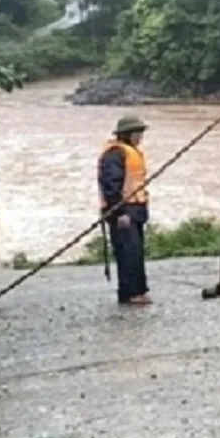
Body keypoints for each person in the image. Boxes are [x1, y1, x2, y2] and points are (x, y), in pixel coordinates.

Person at [98, 114, 153, 307]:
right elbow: (111, 185)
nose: (140, 137)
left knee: (135, 252)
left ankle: (139, 290)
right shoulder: (114, 154)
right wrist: (119, 212)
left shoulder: (131, 151)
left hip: (135, 210)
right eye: (138, 133)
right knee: (128, 252)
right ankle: (130, 293)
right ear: (127, 134)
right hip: (123, 211)